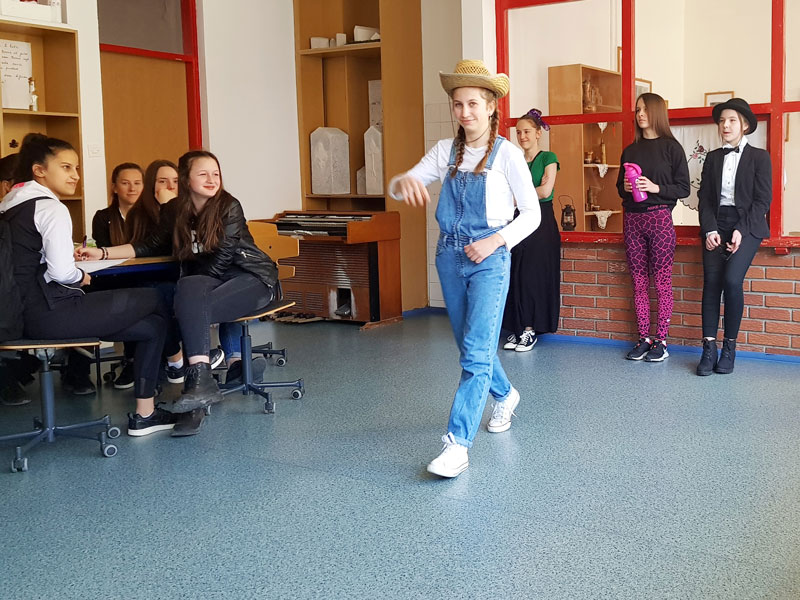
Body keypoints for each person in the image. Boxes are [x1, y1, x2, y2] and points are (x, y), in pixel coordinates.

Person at [389, 59, 540, 478]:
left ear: (491, 106)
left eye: (473, 103)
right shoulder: (445, 151)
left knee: (475, 351)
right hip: (449, 257)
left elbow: (532, 215)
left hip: (490, 259)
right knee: (471, 347)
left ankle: (457, 445)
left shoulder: (508, 155)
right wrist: (402, 183)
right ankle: (505, 394)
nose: (465, 112)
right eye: (458, 104)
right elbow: (405, 183)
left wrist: (495, 240)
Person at [78, 150, 278, 436]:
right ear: (186, 179)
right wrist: (102, 252)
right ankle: (200, 382)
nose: (212, 180)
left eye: (216, 174)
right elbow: (150, 245)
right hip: (206, 285)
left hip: (251, 279)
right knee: (184, 291)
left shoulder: (228, 205)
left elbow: (221, 261)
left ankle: (196, 386)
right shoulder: (174, 210)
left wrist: (187, 306)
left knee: (187, 301)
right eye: (203, 174)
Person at [1, 133, 174, 436]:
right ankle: (179, 364)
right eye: (66, 167)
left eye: (77, 168)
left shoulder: (11, 203)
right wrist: (79, 275)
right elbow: (61, 272)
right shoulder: (51, 208)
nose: (75, 176)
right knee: (156, 296)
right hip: (49, 313)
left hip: (16, 316)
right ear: (39, 170)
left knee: (152, 327)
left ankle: (145, 415)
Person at [696, 98, 771, 376]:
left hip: (747, 225)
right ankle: (709, 349)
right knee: (712, 283)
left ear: (745, 125)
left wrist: (741, 229)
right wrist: (709, 229)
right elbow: (704, 198)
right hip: (716, 223)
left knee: (731, 280)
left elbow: (763, 201)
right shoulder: (713, 157)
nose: (725, 125)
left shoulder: (760, 157)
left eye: (731, 120)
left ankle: (729, 348)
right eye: (722, 121)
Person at [616, 93, 690, 362]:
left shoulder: (672, 148)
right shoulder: (630, 150)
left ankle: (662, 341)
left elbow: (683, 188)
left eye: (645, 110)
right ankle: (643, 338)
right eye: (637, 110)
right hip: (632, 220)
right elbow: (619, 188)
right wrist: (626, 187)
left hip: (659, 219)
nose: (640, 115)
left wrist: (655, 187)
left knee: (661, 282)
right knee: (638, 282)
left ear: (657, 112)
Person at [502, 108, 560, 352]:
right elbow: (505, 192)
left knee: (533, 276)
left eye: (526, 131)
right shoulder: (514, 160)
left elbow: (546, 192)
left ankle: (529, 329)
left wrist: (518, 196)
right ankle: (517, 328)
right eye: (518, 132)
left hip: (541, 222)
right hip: (517, 220)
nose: (522, 136)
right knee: (516, 273)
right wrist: (524, 195)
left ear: (538, 133)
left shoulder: (549, 158)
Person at [92, 162, 143, 248]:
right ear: (114, 187)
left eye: (137, 183)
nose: (132, 188)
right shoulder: (102, 217)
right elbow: (103, 250)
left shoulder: (151, 216)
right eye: (125, 183)